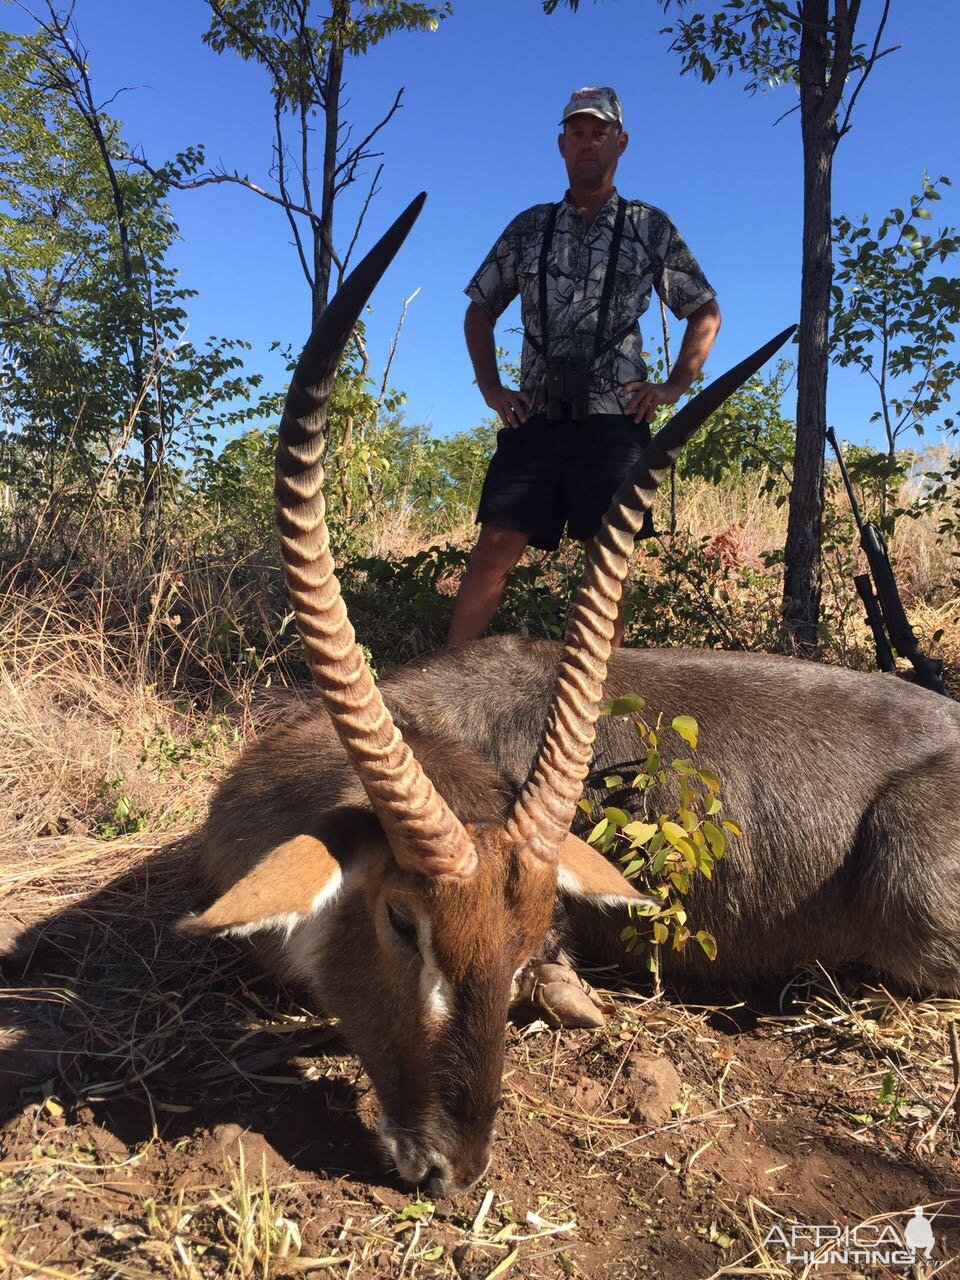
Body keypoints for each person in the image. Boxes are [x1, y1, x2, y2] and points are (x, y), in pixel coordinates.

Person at [447, 86, 721, 648]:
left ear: (620, 142)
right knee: (494, 548)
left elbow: (705, 312)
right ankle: (441, 683)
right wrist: (492, 388)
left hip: (613, 424)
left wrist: (673, 385)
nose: (588, 142)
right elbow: (479, 312)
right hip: (536, 419)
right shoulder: (529, 226)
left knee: (606, 567)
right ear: (561, 144)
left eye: (600, 132)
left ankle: (603, 708)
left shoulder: (649, 226)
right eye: (577, 132)